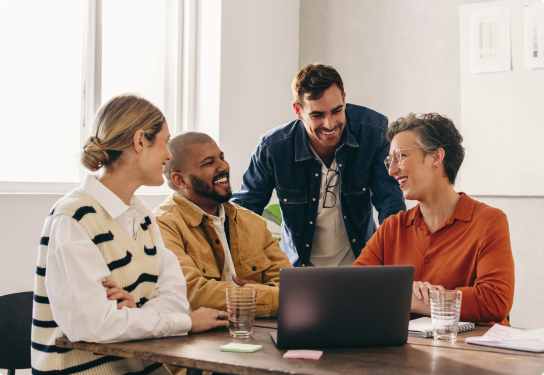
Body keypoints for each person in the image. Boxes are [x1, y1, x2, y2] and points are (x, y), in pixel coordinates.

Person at [31, 94, 229, 375]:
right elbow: (93, 327)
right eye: (164, 141)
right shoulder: (72, 219)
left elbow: (175, 296)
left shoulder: (143, 216)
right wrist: (185, 322)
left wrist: (135, 314)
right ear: (139, 142)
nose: (169, 155)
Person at [231, 63, 406, 267]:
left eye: (336, 111)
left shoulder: (372, 131)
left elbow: (390, 204)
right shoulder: (273, 148)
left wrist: (393, 267)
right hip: (300, 272)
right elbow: (243, 213)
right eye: (317, 115)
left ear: (344, 100)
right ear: (298, 111)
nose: (330, 124)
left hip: (361, 266)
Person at [353, 112, 515, 325]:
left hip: (473, 354)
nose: (392, 170)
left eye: (400, 156)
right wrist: (407, 294)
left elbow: (494, 301)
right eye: (389, 160)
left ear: (436, 158)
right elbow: (353, 289)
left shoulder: (489, 222)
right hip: (405, 354)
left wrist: (420, 300)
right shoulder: (391, 228)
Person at [154, 132, 293, 318]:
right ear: (180, 180)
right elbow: (194, 292)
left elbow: (289, 285)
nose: (223, 167)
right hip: (193, 341)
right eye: (208, 163)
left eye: (222, 157)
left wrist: (272, 296)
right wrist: (260, 295)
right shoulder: (163, 224)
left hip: (256, 331)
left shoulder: (252, 222)